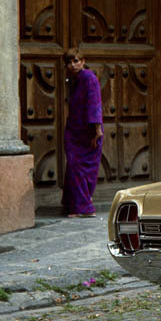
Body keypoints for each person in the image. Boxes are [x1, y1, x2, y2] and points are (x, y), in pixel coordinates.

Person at [62, 47, 104, 217]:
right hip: (74, 131)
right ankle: (73, 204)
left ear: (83, 61)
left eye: (76, 61)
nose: (72, 65)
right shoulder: (75, 79)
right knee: (74, 166)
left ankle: (84, 208)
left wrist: (97, 130)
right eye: (69, 62)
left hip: (88, 132)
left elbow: (95, 103)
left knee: (81, 168)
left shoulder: (88, 78)